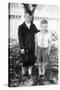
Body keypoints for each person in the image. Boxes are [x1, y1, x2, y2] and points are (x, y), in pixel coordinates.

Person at [18, 10, 39, 77]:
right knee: (24, 60)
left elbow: (37, 31)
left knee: (31, 60)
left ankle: (29, 72)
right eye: (27, 17)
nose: (29, 18)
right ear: (24, 17)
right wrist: (22, 47)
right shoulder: (21, 27)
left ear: (31, 18)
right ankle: (24, 73)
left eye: (30, 17)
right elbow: (20, 38)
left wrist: (44, 30)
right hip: (24, 47)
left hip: (31, 46)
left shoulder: (33, 26)